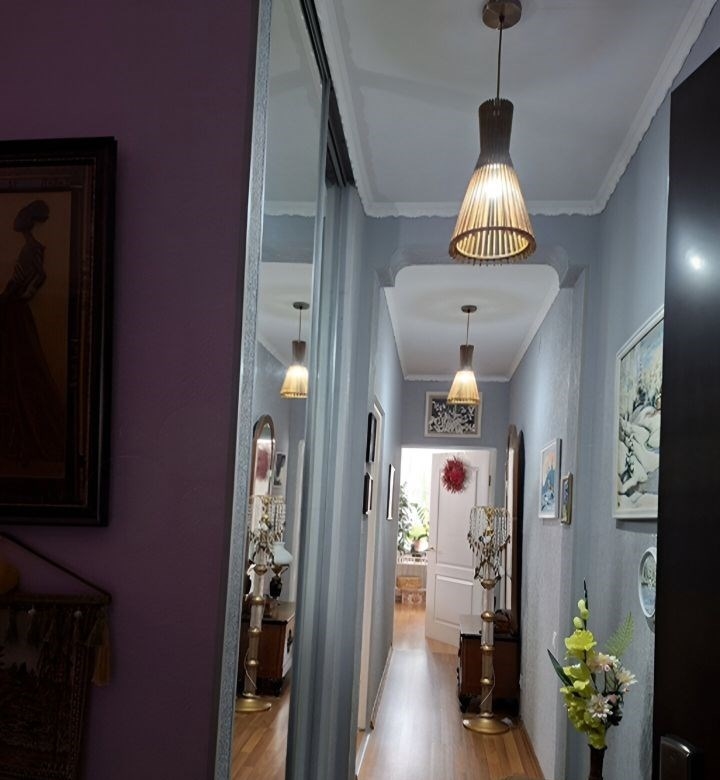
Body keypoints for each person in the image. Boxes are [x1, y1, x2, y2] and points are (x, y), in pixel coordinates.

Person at [0, 199, 65, 469]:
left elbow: (39, 275)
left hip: (15, 310)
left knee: (21, 365)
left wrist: (23, 295)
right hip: (11, 306)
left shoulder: (33, 248)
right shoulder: (28, 248)